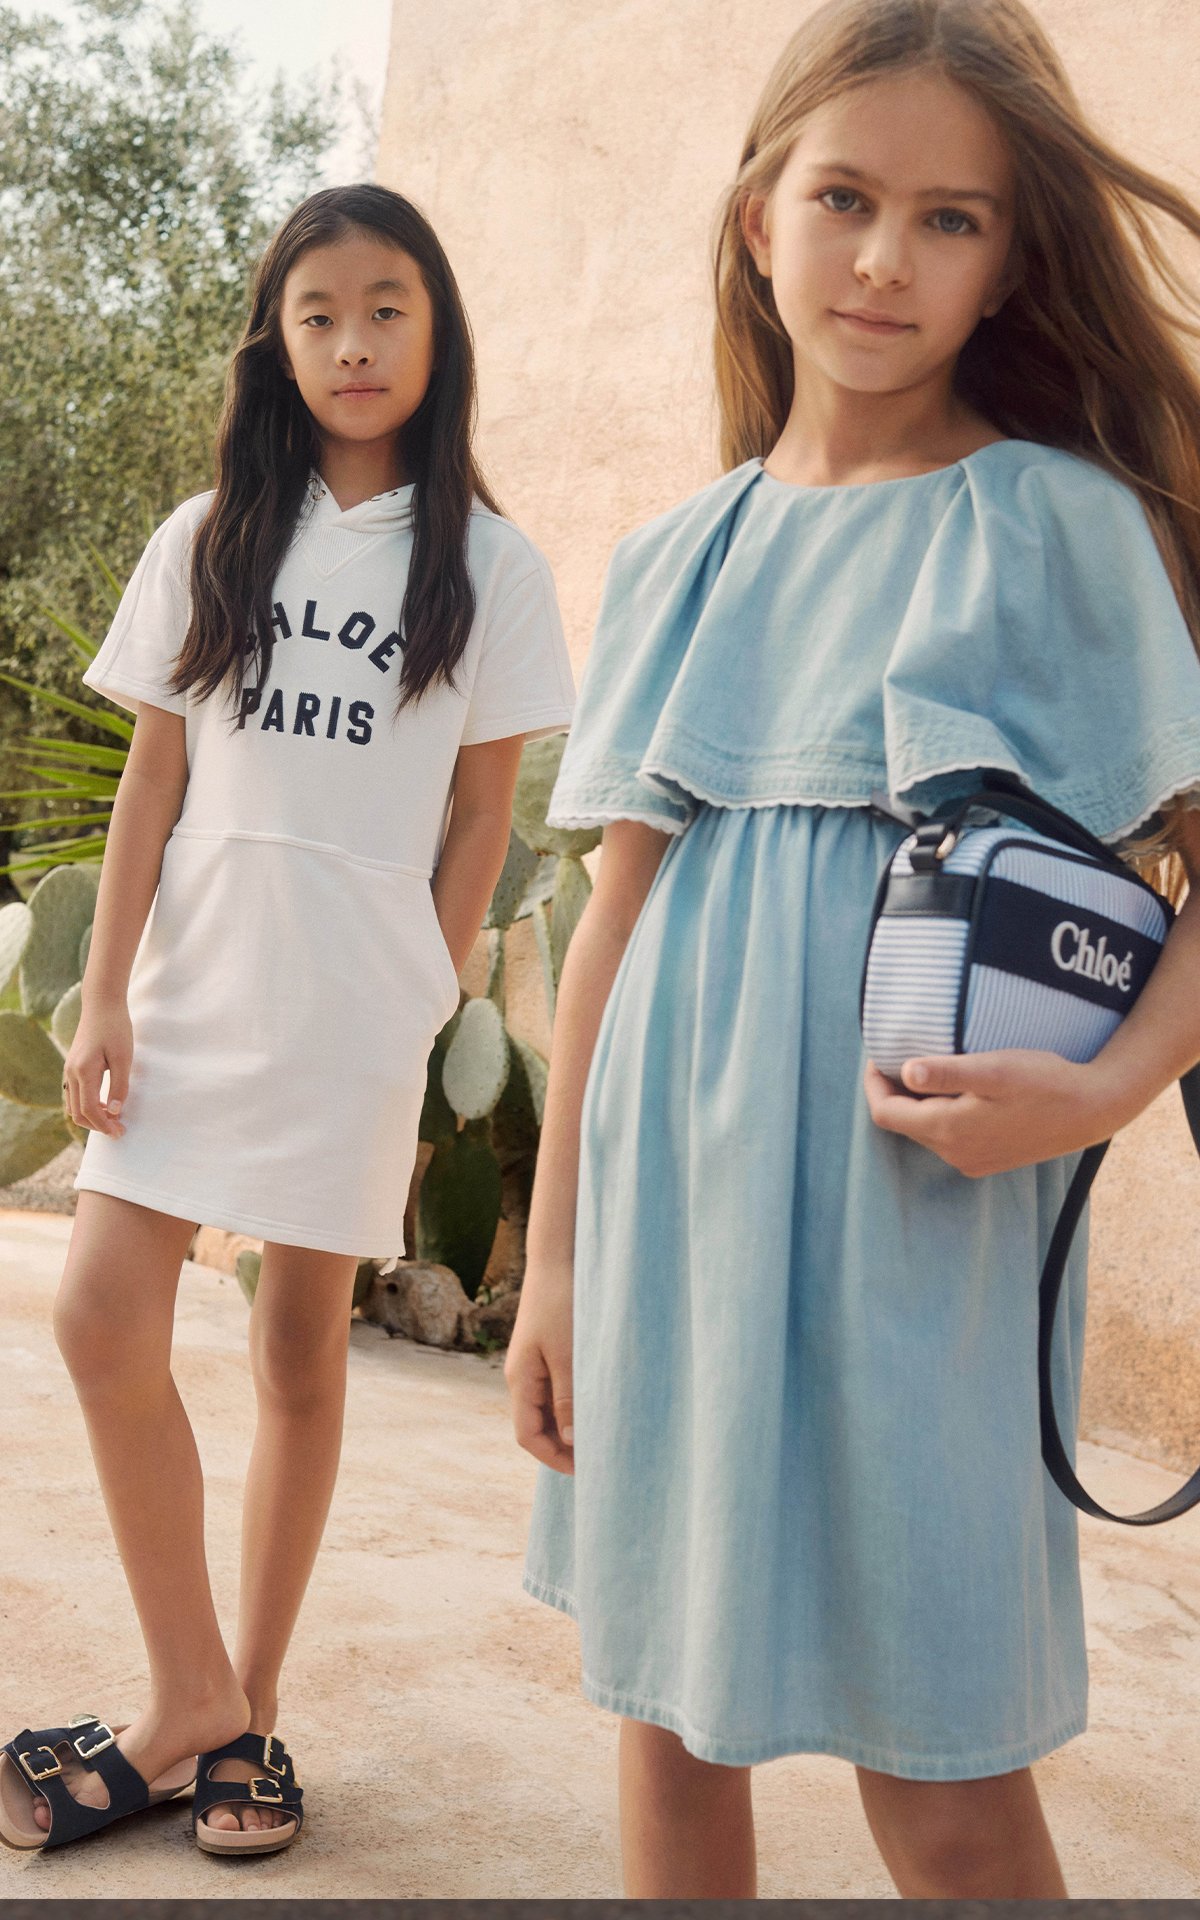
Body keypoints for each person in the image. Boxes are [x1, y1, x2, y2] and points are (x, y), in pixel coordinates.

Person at [506, 0, 1200, 1898]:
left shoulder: (1050, 525)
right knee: (667, 1718)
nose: (887, 257)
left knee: (943, 1771)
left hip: (924, 1229)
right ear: (759, 220)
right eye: (845, 199)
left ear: (1011, 264)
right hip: (668, 1213)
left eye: (951, 219)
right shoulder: (679, 554)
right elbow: (613, 921)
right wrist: (552, 1262)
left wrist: (1104, 1095)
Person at [0, 182, 574, 1857]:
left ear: (438, 332)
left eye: (388, 308)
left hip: (354, 1006)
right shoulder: (210, 536)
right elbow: (152, 782)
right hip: (193, 987)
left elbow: (485, 809)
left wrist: (428, 983)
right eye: (319, 313)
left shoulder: (493, 565)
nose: (354, 342)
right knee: (102, 1318)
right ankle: (196, 1698)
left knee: (298, 1348)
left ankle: (245, 1708)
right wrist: (106, 991)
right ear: (278, 343)